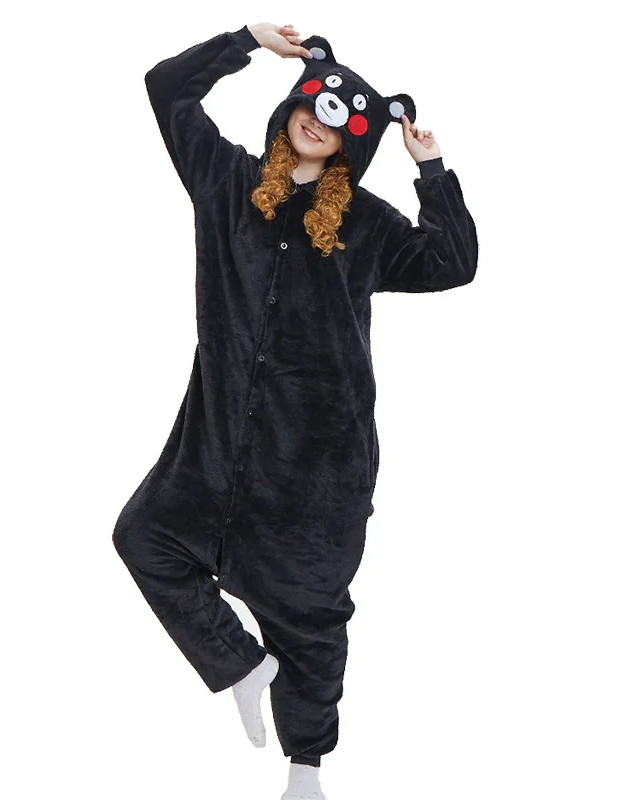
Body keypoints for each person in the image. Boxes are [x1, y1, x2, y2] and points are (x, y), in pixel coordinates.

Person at [113, 21, 479, 800]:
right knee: (144, 537)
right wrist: (247, 39)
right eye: (313, 104)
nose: (319, 121)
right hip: (214, 446)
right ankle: (241, 667)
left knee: (308, 618)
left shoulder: (365, 224)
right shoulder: (227, 182)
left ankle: (306, 772)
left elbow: (453, 263)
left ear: (352, 144)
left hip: (316, 467)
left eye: (339, 121)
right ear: (292, 105)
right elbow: (166, 89)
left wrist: (431, 169)